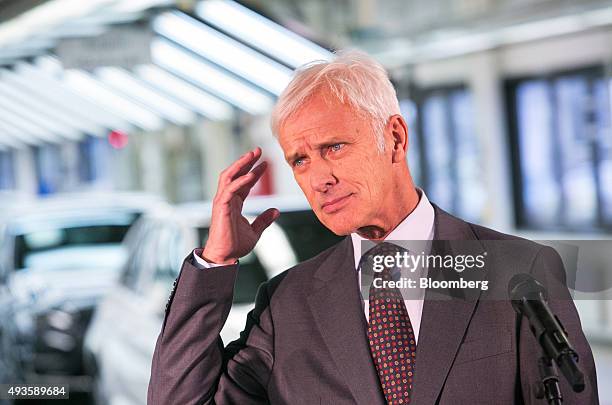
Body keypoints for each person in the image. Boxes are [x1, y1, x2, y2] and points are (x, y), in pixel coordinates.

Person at [147, 50, 598, 404]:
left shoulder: (517, 271)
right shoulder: (287, 306)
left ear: (396, 139)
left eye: (335, 147)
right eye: (300, 160)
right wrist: (215, 262)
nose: (318, 177)